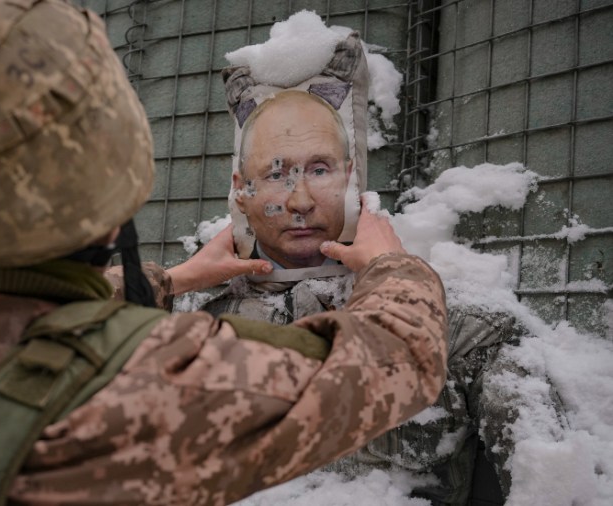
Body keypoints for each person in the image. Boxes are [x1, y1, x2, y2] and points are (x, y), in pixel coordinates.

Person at [0, 0, 449, 505]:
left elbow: (11, 327)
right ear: (109, 157)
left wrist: (165, 282)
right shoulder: (157, 380)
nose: (299, 198)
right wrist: (393, 265)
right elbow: (397, 361)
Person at [194, 88, 567, 504]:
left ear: (350, 178)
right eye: (276, 174)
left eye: (319, 170)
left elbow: (555, 486)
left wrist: (395, 274)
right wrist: (173, 283)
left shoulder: (466, 327)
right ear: (242, 190)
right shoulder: (191, 327)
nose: (300, 201)